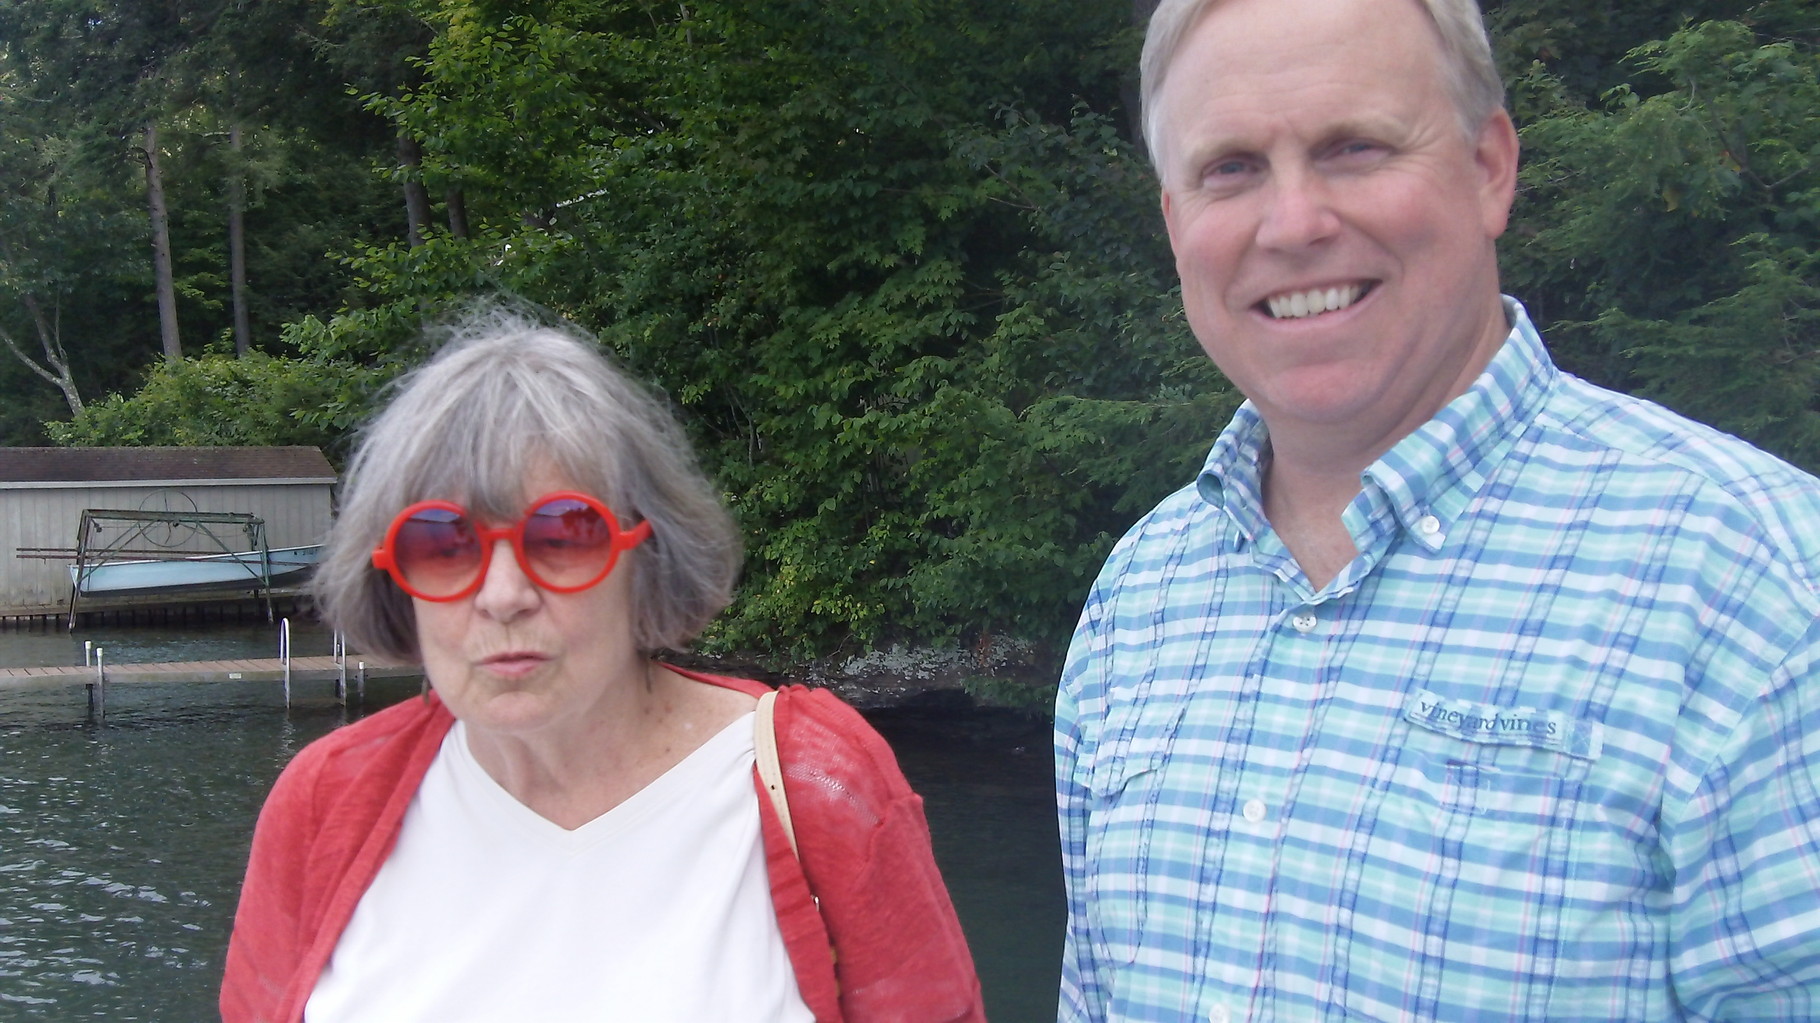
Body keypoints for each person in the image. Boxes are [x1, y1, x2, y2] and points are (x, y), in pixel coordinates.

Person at [1055, 0, 1820, 1019]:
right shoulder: (1136, 600)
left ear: (1488, 168)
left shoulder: (1758, 586)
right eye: (1229, 168)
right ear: (1173, 222)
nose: (1292, 224)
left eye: (1354, 148)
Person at [221, 309, 984, 1023]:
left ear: (643, 557)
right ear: (393, 574)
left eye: (562, 534)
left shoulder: (817, 782)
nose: (505, 594)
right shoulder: (324, 804)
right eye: (445, 544)